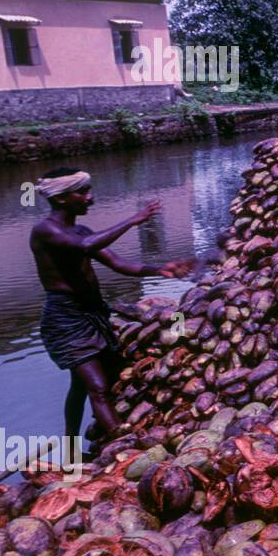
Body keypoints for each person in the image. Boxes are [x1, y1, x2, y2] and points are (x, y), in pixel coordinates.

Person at [29, 168, 191, 441]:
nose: (90, 198)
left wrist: (159, 269)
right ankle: (121, 441)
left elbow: (118, 264)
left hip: (93, 314)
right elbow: (83, 246)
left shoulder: (80, 230)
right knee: (98, 387)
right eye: (82, 192)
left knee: (81, 385)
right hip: (66, 320)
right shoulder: (45, 231)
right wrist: (133, 220)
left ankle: (76, 439)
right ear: (61, 199)